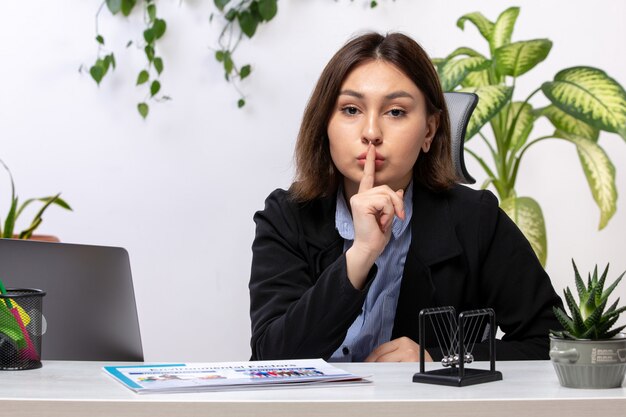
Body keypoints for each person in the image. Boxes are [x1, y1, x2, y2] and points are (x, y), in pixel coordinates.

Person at [249, 32, 563, 363]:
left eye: (396, 112)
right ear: (325, 122)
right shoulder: (286, 216)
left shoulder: (477, 220)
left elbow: (554, 341)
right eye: (351, 109)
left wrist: (439, 358)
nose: (371, 132)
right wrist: (362, 254)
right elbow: (272, 357)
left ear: (429, 131)